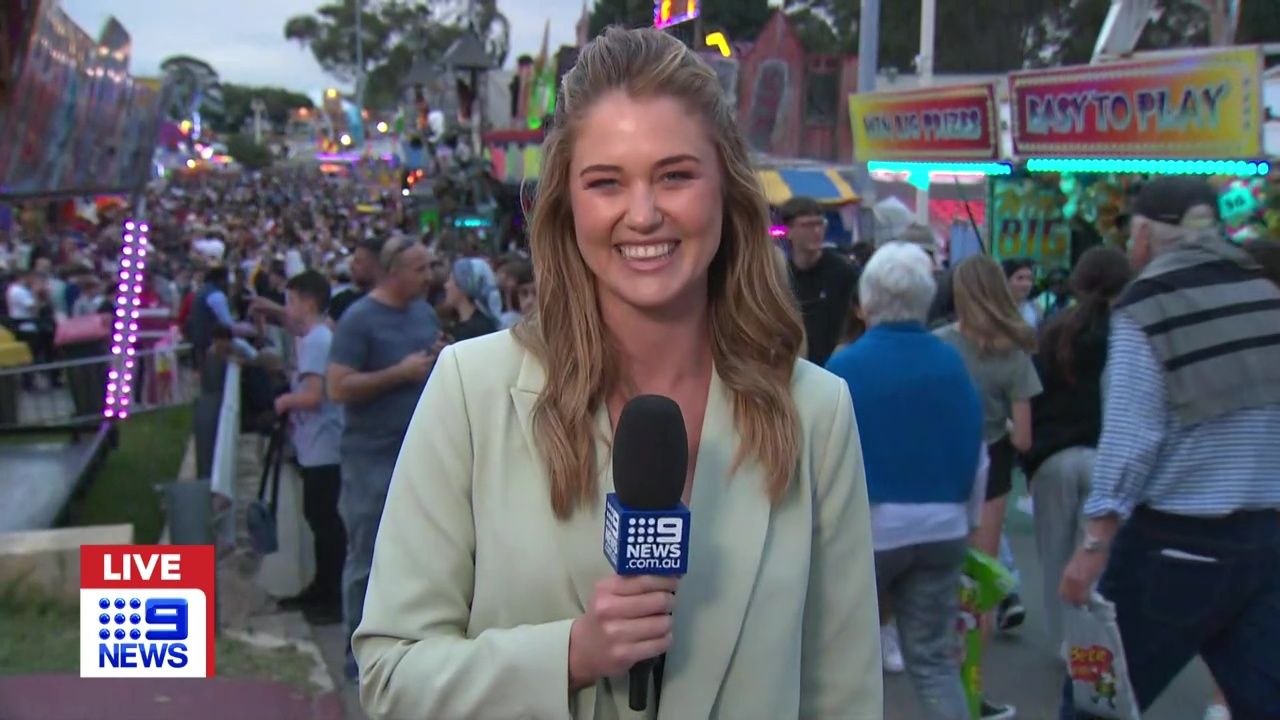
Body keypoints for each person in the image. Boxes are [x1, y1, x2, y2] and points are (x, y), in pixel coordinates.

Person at [352, 27, 881, 720]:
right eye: (606, 182)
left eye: (675, 176)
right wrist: (569, 655)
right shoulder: (470, 390)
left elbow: (843, 695)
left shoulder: (817, 411)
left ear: (726, 189)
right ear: (567, 205)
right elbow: (390, 677)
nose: (643, 214)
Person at [1059, 178, 1280, 719]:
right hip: (1266, 539)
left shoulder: (1148, 304)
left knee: (1098, 701)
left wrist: (1093, 545)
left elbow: (1132, 436)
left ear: (1143, 235)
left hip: (1173, 541)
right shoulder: (1264, 294)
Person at [826, 242, 986, 720]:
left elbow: (825, 460)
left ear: (865, 300)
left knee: (844, 659)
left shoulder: (845, 368)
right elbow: (979, 453)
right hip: (943, 527)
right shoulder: (952, 363)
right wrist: (969, 521)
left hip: (869, 530)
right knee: (933, 660)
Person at [326, 234, 445, 681]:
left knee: (423, 551)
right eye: (420, 269)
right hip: (371, 458)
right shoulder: (359, 320)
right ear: (393, 272)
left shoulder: (424, 312)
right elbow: (338, 386)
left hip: (421, 452)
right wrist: (399, 373)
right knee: (368, 554)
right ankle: (357, 656)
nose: (429, 276)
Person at [936, 254, 1041, 720]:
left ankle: (938, 682)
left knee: (938, 578)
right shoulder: (1014, 352)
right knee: (980, 582)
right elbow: (1024, 438)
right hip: (993, 467)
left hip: (943, 464)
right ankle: (973, 691)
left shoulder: (940, 345)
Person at [1020, 247, 1130, 653]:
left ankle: (1066, 647)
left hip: (1053, 459)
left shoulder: (1052, 332)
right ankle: (1099, 647)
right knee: (1098, 557)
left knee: (1055, 559)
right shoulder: (1130, 336)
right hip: (1107, 458)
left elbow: (1032, 399)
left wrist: (1029, 460)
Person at [271, 270, 346, 625]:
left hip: (323, 446)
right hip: (318, 444)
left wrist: (285, 401)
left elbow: (314, 395)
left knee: (323, 519)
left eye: (291, 301)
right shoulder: (317, 338)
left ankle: (330, 594)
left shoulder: (317, 340)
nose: (288, 309)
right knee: (319, 517)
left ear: (308, 302)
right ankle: (322, 587)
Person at [783, 196, 857, 367]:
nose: (816, 231)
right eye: (807, 225)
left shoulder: (842, 272)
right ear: (789, 231)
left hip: (835, 365)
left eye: (820, 224)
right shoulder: (783, 277)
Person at [441, 257, 502, 341]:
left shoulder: (480, 329)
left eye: (451, 280)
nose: (446, 286)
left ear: (462, 287)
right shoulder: (457, 323)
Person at [328, 237, 382, 322]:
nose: (351, 266)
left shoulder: (393, 303)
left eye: (358, 262)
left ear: (376, 266)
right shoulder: (341, 302)